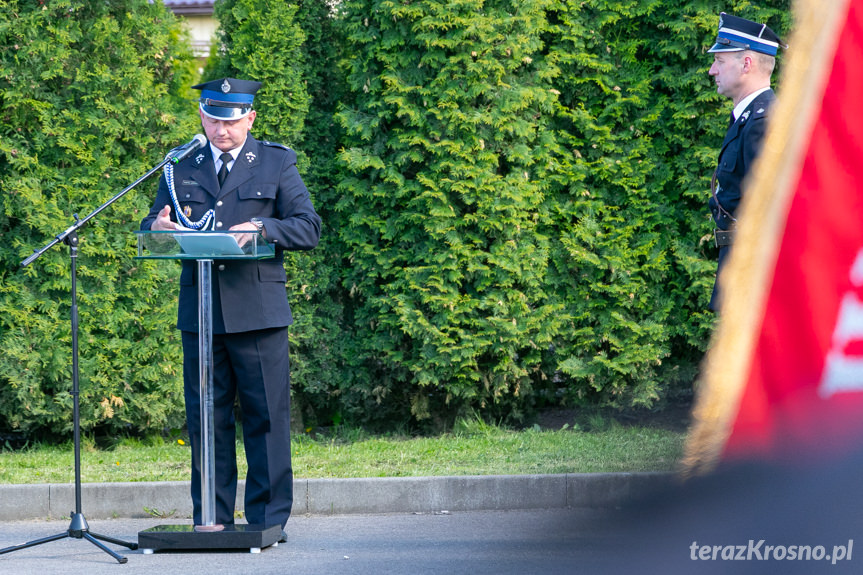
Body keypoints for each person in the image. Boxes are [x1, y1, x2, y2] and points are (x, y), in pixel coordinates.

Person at [140, 77, 321, 539]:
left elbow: (308, 227)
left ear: (250, 118)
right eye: (215, 119)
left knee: (265, 420)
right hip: (201, 313)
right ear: (202, 117)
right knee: (207, 420)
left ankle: (266, 522)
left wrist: (263, 225)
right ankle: (212, 518)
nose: (223, 129)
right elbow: (154, 223)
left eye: (233, 120)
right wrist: (158, 224)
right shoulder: (180, 165)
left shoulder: (276, 162)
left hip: (258, 315)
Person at [707, 13, 784, 311]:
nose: (712, 70)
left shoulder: (764, 123)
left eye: (720, 61)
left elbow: (770, 213)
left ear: (747, 64)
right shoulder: (749, 118)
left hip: (754, 279)